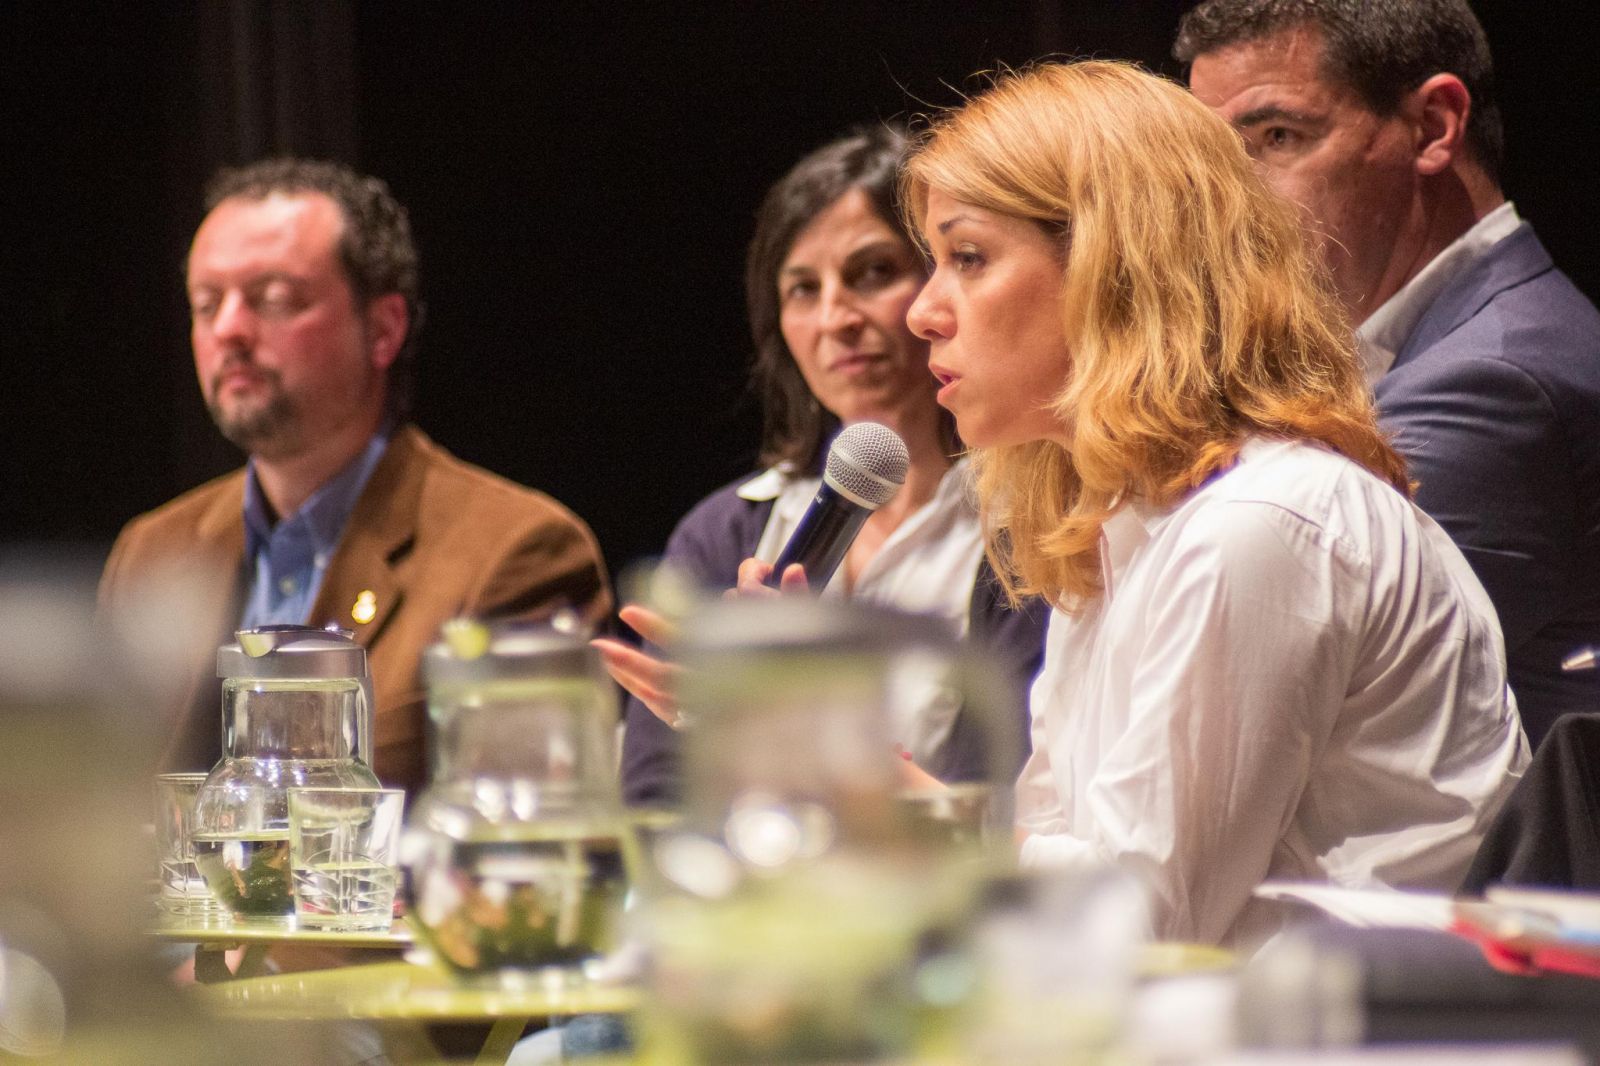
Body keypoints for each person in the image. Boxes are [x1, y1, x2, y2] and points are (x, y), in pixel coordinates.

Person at [895, 60, 1526, 948]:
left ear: (1115, 268)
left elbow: (1142, 921)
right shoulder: (1125, 526)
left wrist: (909, 819)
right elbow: (1060, 839)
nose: (924, 311)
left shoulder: (1257, 526)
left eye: (968, 257)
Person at [98, 159, 610, 794]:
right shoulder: (152, 550)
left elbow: (521, 852)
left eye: (274, 299)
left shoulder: (517, 552)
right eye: (207, 304)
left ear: (384, 329)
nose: (228, 328)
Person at [1177, 0, 1600, 748]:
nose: (1227, 207)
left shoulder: (1493, 384)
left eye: (1277, 137)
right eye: (1212, 162)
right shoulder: (1454, 343)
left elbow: (1225, 712)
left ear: (1435, 126)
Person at [608, 127, 1046, 807]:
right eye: (803, 290)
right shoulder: (727, 531)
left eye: (872, 272)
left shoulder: (1031, 523)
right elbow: (655, 795)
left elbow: (1001, 799)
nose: (836, 317)